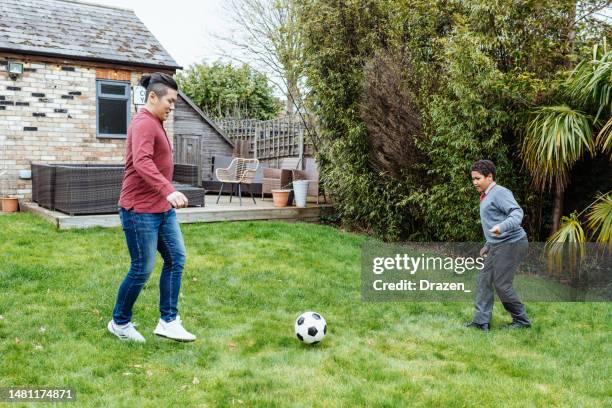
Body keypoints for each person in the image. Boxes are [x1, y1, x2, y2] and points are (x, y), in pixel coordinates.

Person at [108, 73, 196, 342]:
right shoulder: (144, 122)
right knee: (141, 268)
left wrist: (165, 196)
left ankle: (168, 321)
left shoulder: (156, 122)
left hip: (160, 209)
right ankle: (119, 322)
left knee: (176, 259)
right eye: (170, 101)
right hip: (140, 210)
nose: (172, 106)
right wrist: (168, 190)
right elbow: (142, 162)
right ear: (153, 97)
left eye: (175, 102)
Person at [466, 159, 531, 331]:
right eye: (473, 179)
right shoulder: (487, 195)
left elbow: (517, 213)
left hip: (512, 243)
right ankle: (481, 322)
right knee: (484, 280)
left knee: (502, 284)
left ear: (489, 177)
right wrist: (488, 244)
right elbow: (494, 221)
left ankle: (522, 321)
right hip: (499, 245)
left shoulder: (500, 192)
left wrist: (501, 228)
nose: (474, 182)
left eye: (477, 178)